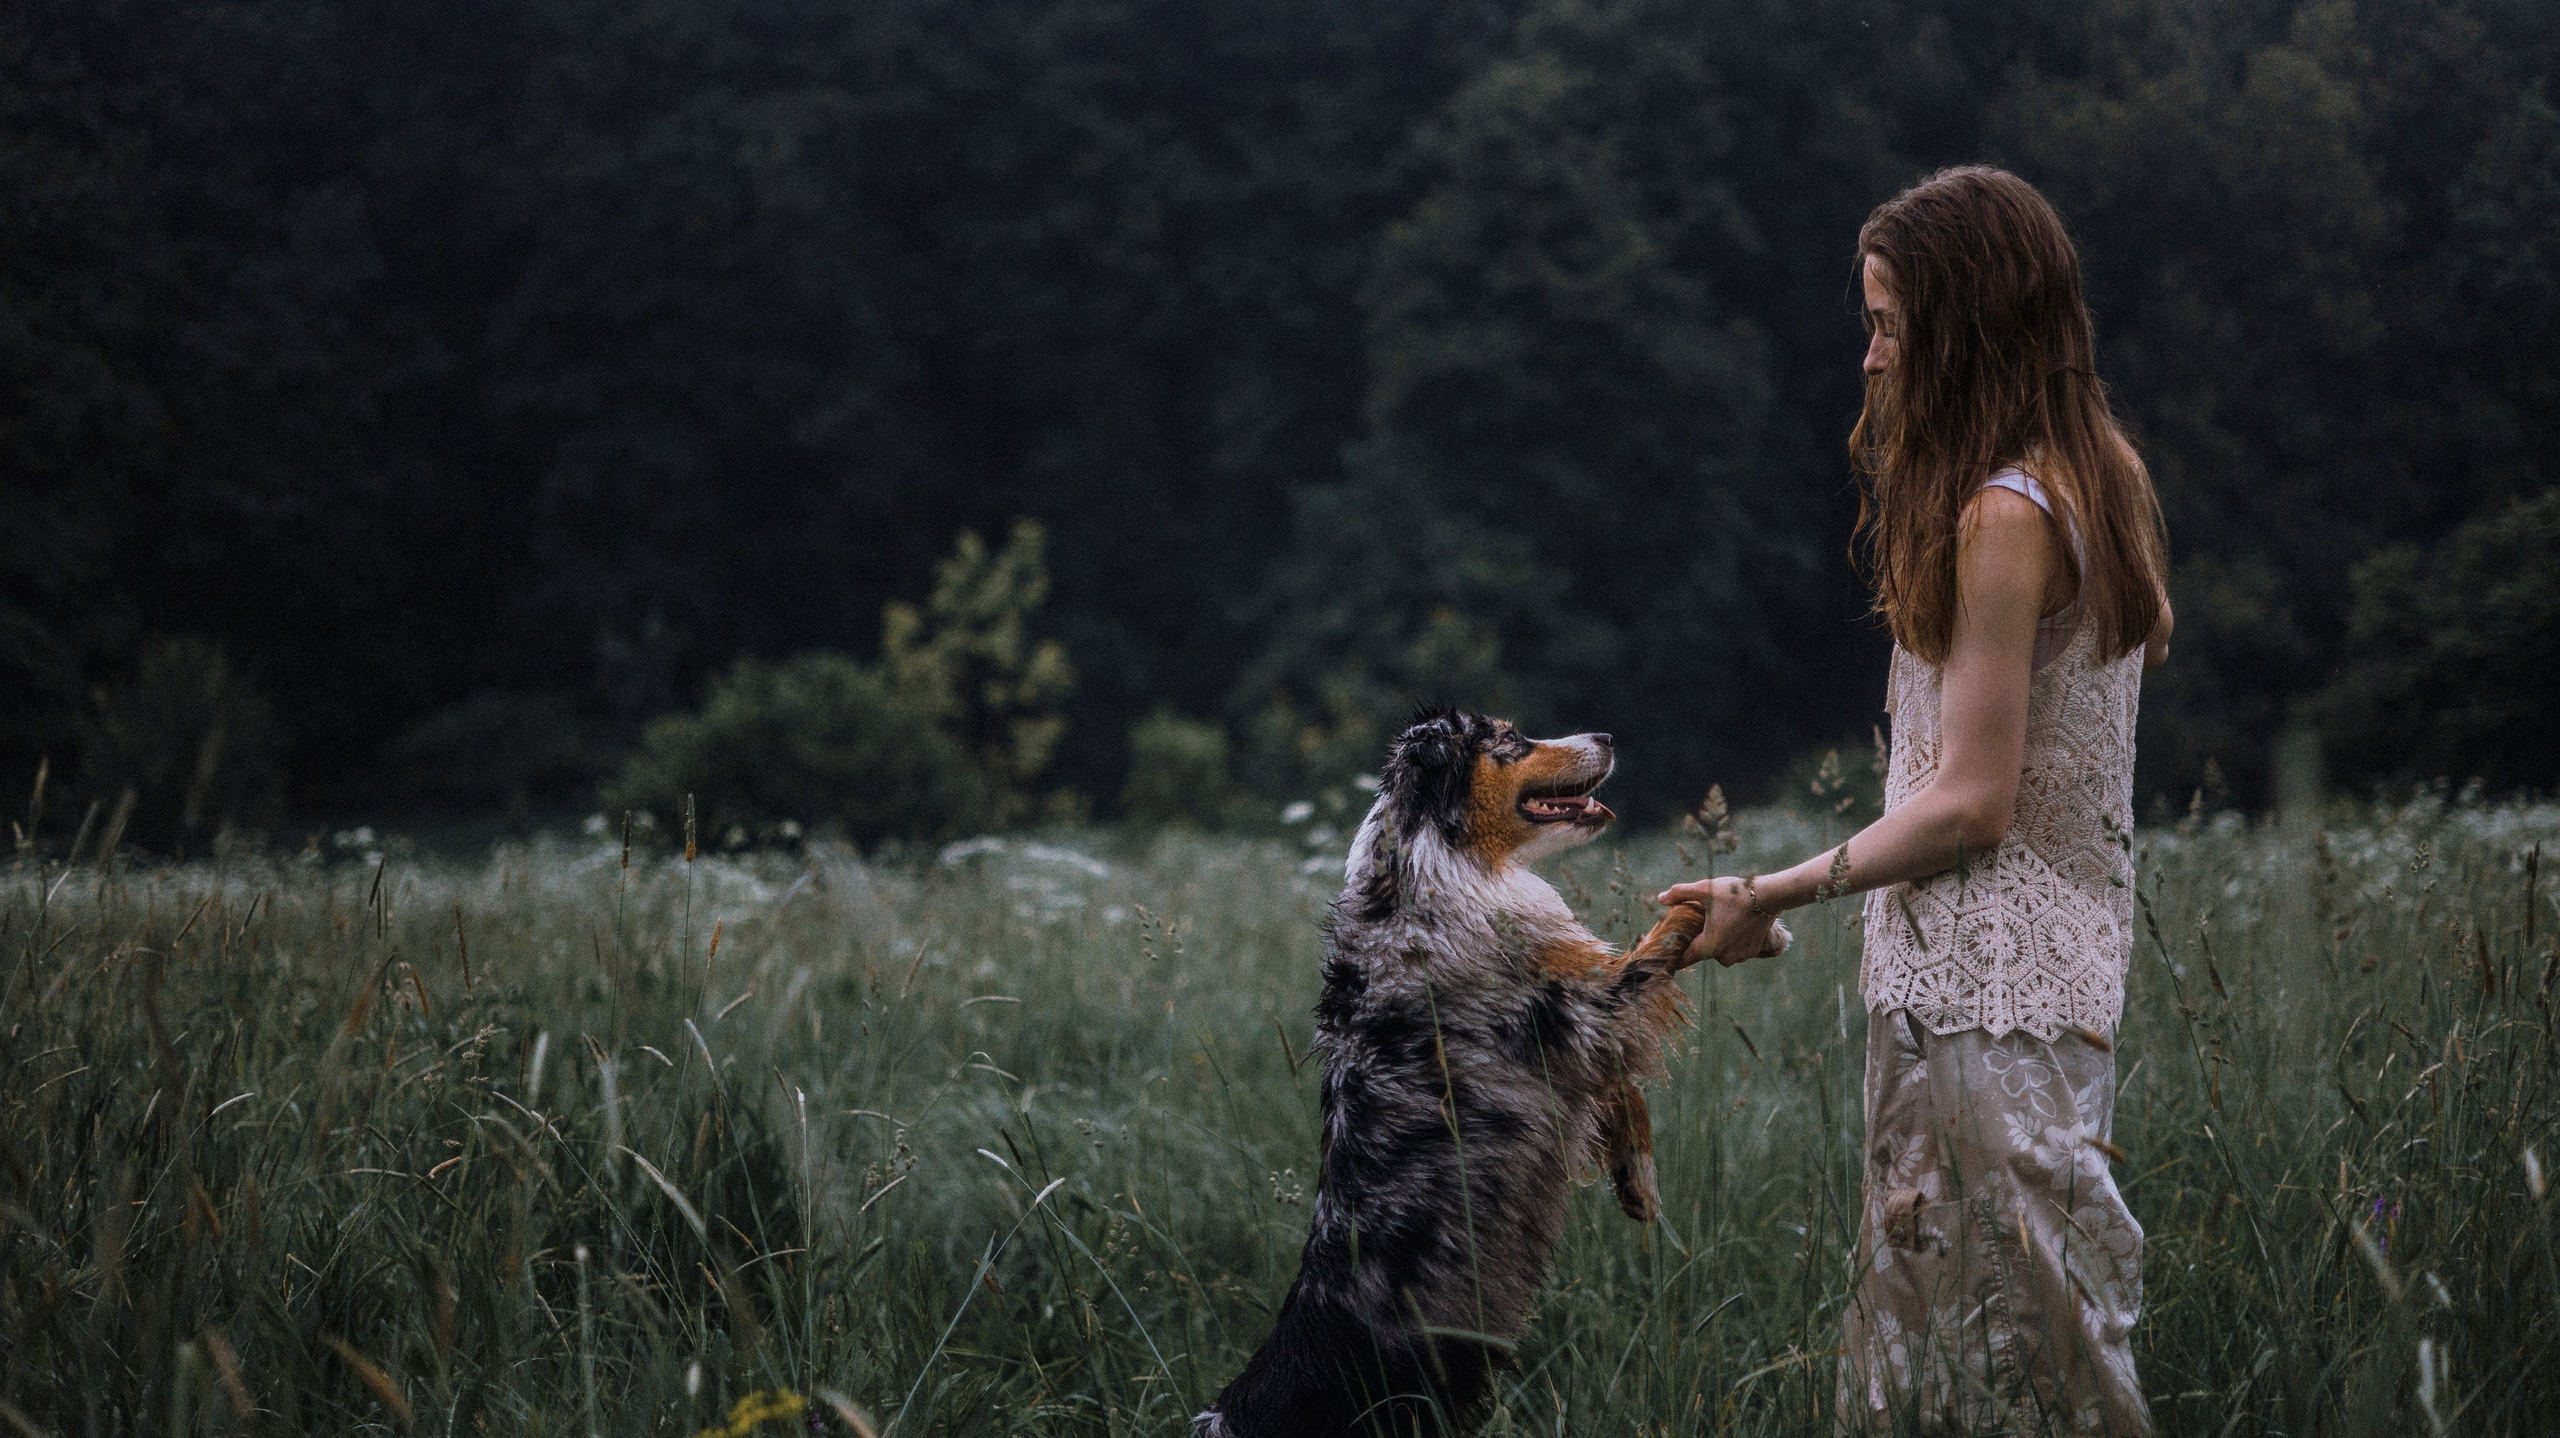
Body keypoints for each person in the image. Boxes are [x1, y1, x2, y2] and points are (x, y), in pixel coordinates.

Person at [1660, 166, 2172, 1435]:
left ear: (1968, 328)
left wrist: (1766, 892)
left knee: (2003, 1372)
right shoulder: (2094, 470)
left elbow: (1971, 806)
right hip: (2027, 995)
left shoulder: (2005, 513)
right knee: (1995, 1355)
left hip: (1984, 1005)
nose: (1873, 359)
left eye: (1892, 325)